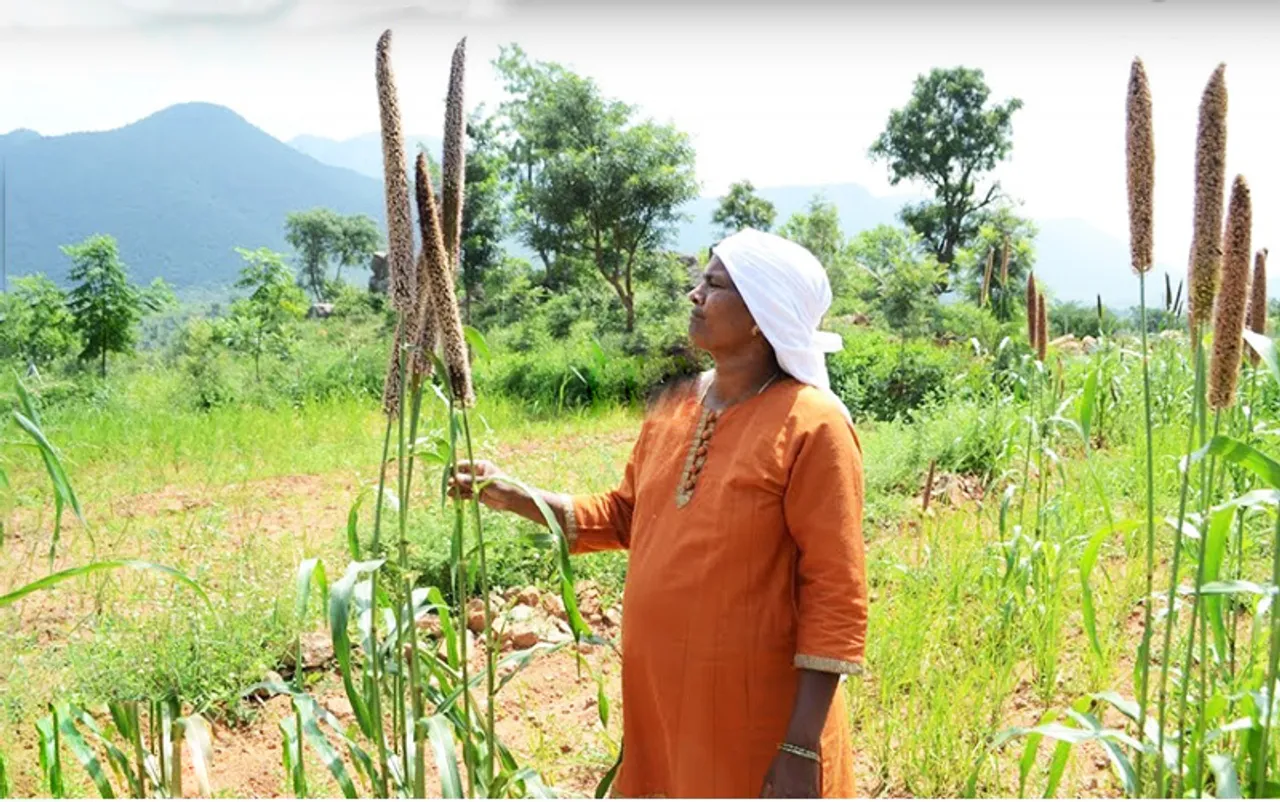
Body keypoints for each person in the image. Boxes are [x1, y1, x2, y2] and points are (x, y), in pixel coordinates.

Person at [450, 228, 868, 798]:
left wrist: (799, 746)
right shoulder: (676, 406)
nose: (694, 294)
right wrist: (517, 496)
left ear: (760, 316)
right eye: (700, 280)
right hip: (664, 701)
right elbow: (626, 515)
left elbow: (835, 591)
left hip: (756, 712)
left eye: (714, 284)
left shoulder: (814, 425)